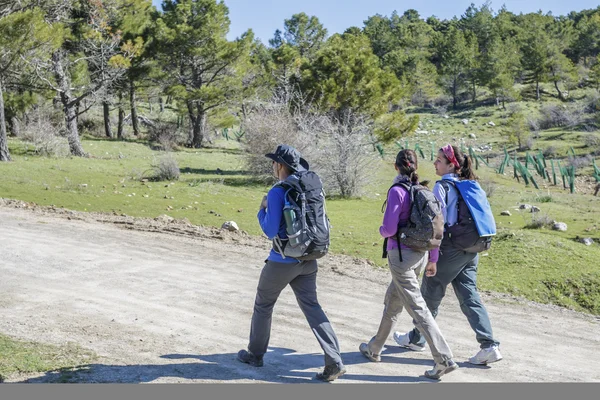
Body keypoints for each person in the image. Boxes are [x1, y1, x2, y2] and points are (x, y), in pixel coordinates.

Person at [237, 144, 346, 382]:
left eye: (274, 163)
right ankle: (334, 360)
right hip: (310, 257)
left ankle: (255, 354)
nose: (272, 167)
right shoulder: (310, 187)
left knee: (263, 304)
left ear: (280, 165)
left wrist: (261, 209)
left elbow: (270, 230)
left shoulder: (278, 191)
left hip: (282, 260)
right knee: (312, 307)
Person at [393, 144, 503, 365]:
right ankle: (489, 345)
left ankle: (417, 339)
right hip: (472, 248)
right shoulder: (470, 184)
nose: (435, 163)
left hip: (451, 247)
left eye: (439, 160)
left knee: (429, 294)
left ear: (451, 165)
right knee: (469, 295)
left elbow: (437, 223)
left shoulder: (442, 187)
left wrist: (433, 255)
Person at [359, 149, 458, 380]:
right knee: (393, 301)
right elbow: (435, 230)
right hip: (421, 256)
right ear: (415, 167)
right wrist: (433, 259)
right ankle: (375, 348)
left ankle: (443, 359)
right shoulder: (423, 190)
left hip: (400, 257)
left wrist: (381, 230)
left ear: (396, 167)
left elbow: (390, 229)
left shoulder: (397, 191)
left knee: (417, 308)